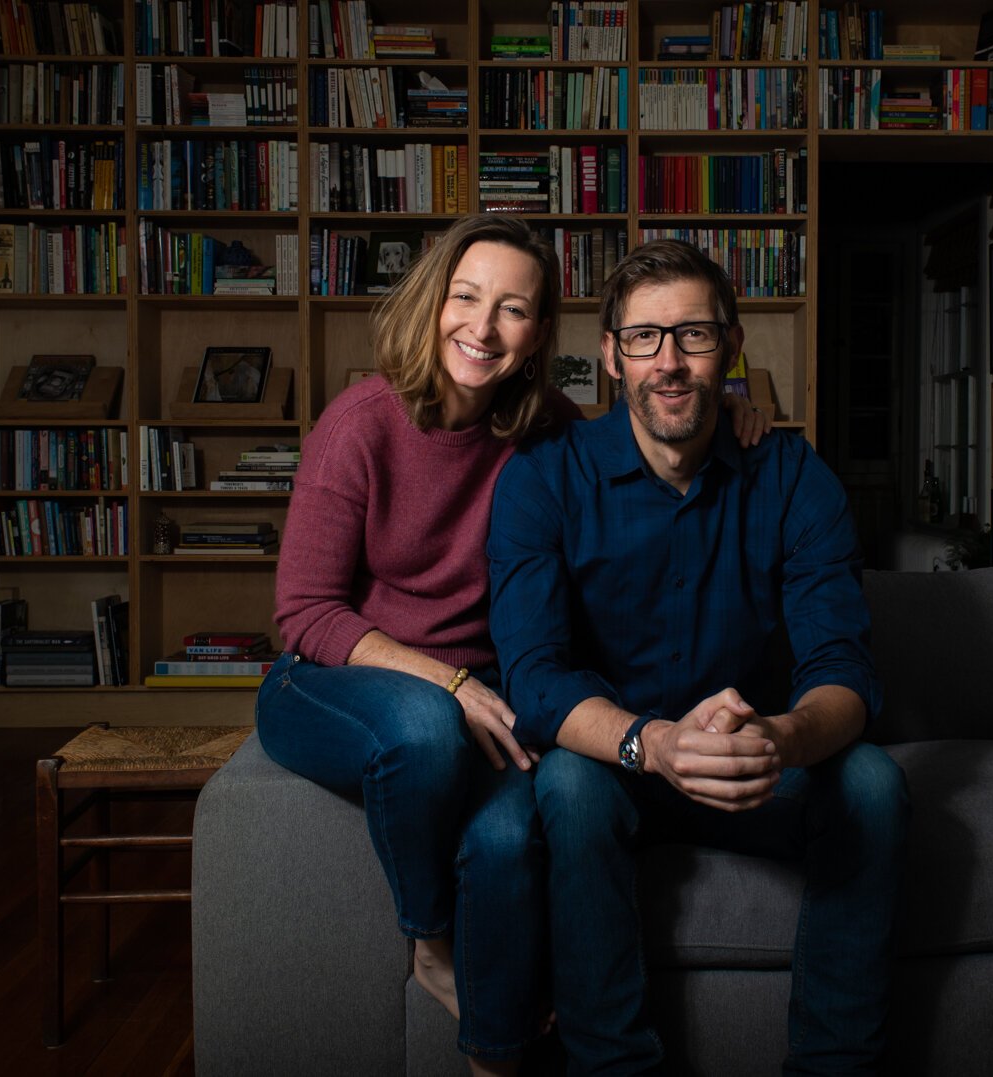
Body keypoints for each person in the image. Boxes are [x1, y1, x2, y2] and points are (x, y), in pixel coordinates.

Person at [256, 216, 769, 1075]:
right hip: (333, 676)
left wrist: (728, 409)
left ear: (539, 335)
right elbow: (304, 610)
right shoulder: (362, 421)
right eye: (465, 298)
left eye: (512, 310)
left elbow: (648, 418)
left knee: (503, 841)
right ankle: (428, 938)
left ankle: (495, 1060)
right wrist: (445, 679)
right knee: (420, 729)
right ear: (433, 303)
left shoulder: (544, 429)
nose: (481, 328)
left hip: (477, 692)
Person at [487, 239, 910, 1074]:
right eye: (644, 338)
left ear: (734, 346)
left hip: (753, 760)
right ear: (610, 355)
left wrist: (781, 738)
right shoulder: (543, 479)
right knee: (568, 785)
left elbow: (845, 670)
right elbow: (533, 675)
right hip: (619, 762)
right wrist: (655, 742)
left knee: (871, 782)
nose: (670, 362)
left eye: (695, 335)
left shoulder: (793, 476)